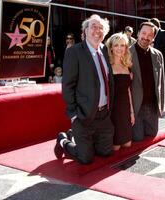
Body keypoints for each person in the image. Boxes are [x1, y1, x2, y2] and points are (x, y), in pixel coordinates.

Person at [54, 14, 114, 164]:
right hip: (83, 116)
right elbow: (68, 85)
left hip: (104, 115)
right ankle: (63, 140)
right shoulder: (74, 52)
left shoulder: (105, 51)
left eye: (101, 28)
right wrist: (73, 114)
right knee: (85, 158)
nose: (97, 30)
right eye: (93, 26)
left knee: (106, 152)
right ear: (85, 31)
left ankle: (76, 136)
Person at [130, 21, 165, 141]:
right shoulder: (127, 53)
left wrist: (161, 106)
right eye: (144, 33)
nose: (146, 37)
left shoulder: (158, 55)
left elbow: (161, 81)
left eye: (150, 35)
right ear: (138, 33)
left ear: (153, 38)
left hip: (152, 107)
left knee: (152, 136)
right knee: (137, 138)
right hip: (136, 107)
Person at [106, 32, 134, 151]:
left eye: (122, 45)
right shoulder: (107, 66)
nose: (119, 48)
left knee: (127, 145)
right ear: (111, 47)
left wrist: (131, 112)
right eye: (116, 45)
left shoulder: (127, 65)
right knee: (115, 147)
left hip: (125, 108)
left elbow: (128, 90)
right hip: (112, 109)